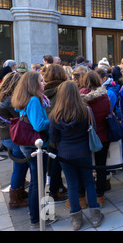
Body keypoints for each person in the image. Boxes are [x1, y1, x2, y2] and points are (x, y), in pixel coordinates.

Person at [49, 81, 104, 230]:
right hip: (84, 151)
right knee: (88, 182)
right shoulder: (86, 110)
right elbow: (94, 128)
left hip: (65, 153)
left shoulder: (55, 114)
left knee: (72, 185)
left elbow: (54, 138)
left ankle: (76, 220)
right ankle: (95, 216)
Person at [11, 71, 54, 228]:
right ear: (33, 84)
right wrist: (51, 119)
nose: (44, 83)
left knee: (36, 181)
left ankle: (36, 215)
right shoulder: (35, 99)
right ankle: (36, 218)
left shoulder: (24, 98)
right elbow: (38, 125)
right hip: (35, 146)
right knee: (38, 182)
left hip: (27, 145)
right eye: (41, 81)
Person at [79, 70, 111, 207]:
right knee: (101, 166)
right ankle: (100, 196)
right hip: (102, 135)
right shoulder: (104, 96)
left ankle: (82, 198)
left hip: (84, 136)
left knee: (82, 166)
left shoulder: (80, 96)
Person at [0, 72, 29, 209]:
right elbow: (21, 117)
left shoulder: (2, 97)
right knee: (19, 167)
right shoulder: (11, 100)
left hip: (7, 137)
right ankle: (15, 199)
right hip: (14, 137)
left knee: (20, 166)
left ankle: (19, 193)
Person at [43, 64, 68, 202]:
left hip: (48, 130)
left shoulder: (43, 89)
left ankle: (57, 187)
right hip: (61, 129)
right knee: (57, 163)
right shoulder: (64, 89)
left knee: (53, 161)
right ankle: (55, 190)